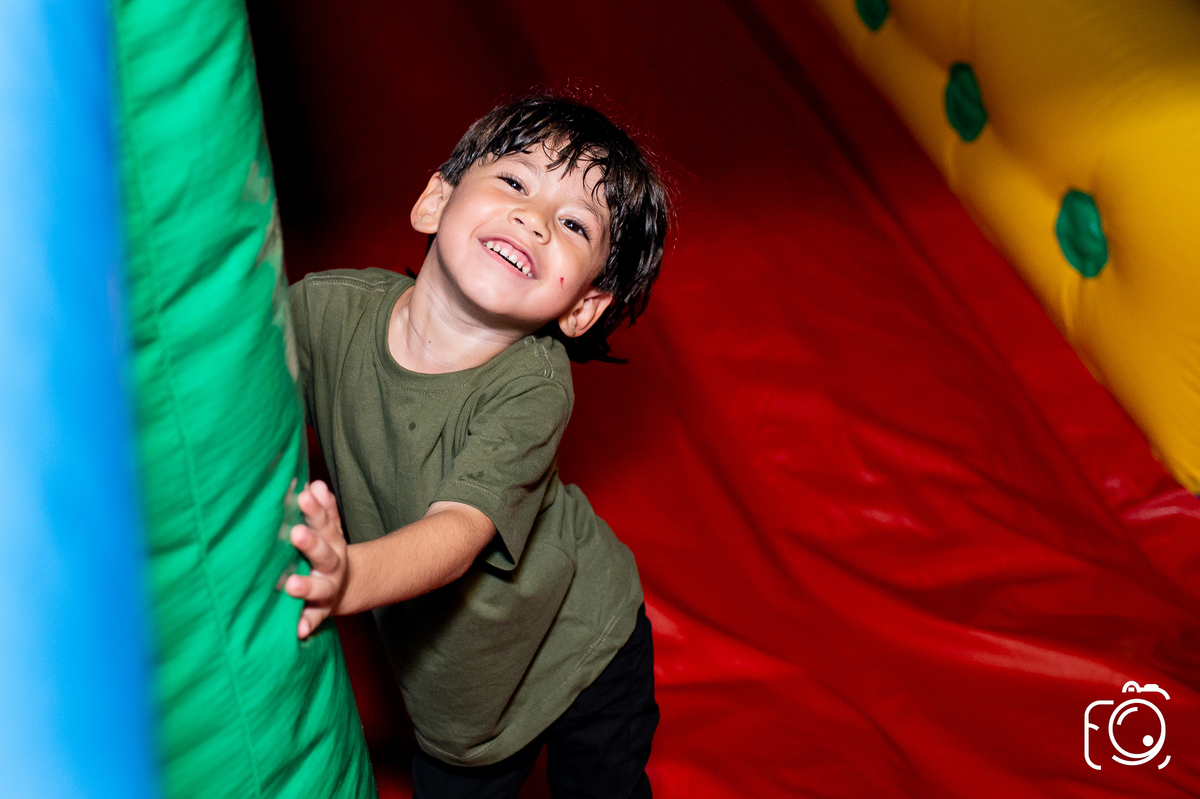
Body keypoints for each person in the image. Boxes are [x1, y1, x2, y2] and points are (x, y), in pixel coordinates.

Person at [284, 94, 670, 798]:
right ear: (435, 199)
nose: (535, 218)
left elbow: (458, 532)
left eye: (575, 224)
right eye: (516, 182)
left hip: (585, 640)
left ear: (582, 305)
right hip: (464, 706)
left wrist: (349, 578)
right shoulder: (325, 313)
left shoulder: (533, 387)